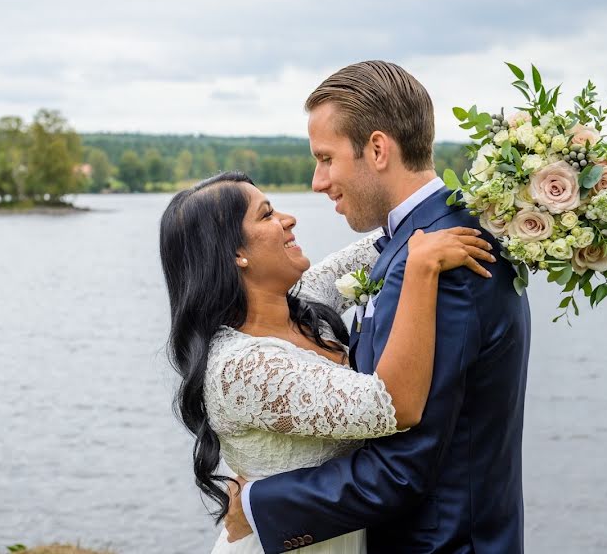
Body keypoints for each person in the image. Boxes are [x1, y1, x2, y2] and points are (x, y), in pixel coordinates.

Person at [223, 61, 531, 553]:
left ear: (378, 149)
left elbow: (403, 469)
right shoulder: (419, 242)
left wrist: (259, 503)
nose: (317, 182)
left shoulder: (446, 266)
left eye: (326, 158)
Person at [160, 166, 497, 554]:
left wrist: (514, 186)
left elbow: (392, 236)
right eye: (267, 215)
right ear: (236, 253)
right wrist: (421, 269)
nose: (289, 219)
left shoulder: (303, 303)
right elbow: (394, 405)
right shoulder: (242, 368)